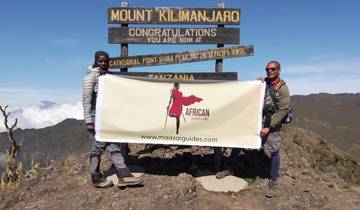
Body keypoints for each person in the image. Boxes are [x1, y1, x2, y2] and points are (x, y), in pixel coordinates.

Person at [82, 50, 143, 188]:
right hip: (95, 116)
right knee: (98, 146)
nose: (103, 63)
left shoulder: (110, 76)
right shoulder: (90, 78)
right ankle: (97, 177)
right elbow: (86, 100)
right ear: (96, 61)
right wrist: (88, 121)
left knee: (113, 145)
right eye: (100, 61)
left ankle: (123, 175)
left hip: (109, 117)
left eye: (106, 61)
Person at [258, 60, 290, 197]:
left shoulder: (283, 88)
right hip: (259, 119)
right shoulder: (264, 83)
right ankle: (232, 168)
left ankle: (273, 180)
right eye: (267, 69)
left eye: (272, 69)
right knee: (244, 142)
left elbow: (283, 110)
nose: (269, 71)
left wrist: (269, 128)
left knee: (274, 151)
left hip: (273, 122)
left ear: (278, 70)